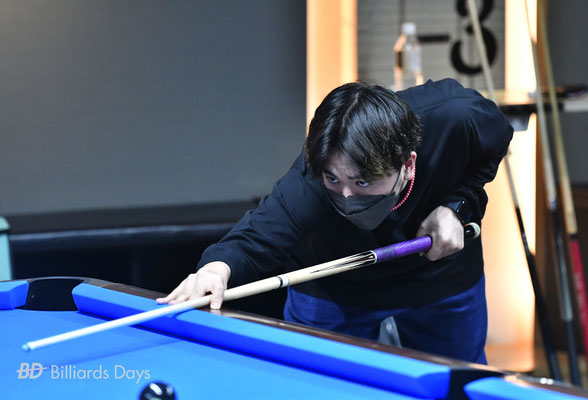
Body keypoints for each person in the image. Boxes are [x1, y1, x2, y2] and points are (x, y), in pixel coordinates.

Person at [157, 78, 513, 364]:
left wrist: (457, 206)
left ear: (408, 164)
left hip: (438, 275)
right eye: (333, 179)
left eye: (362, 183)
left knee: (457, 389)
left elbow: (496, 141)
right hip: (334, 284)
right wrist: (216, 269)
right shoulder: (312, 178)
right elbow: (261, 232)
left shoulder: (455, 117)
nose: (345, 195)